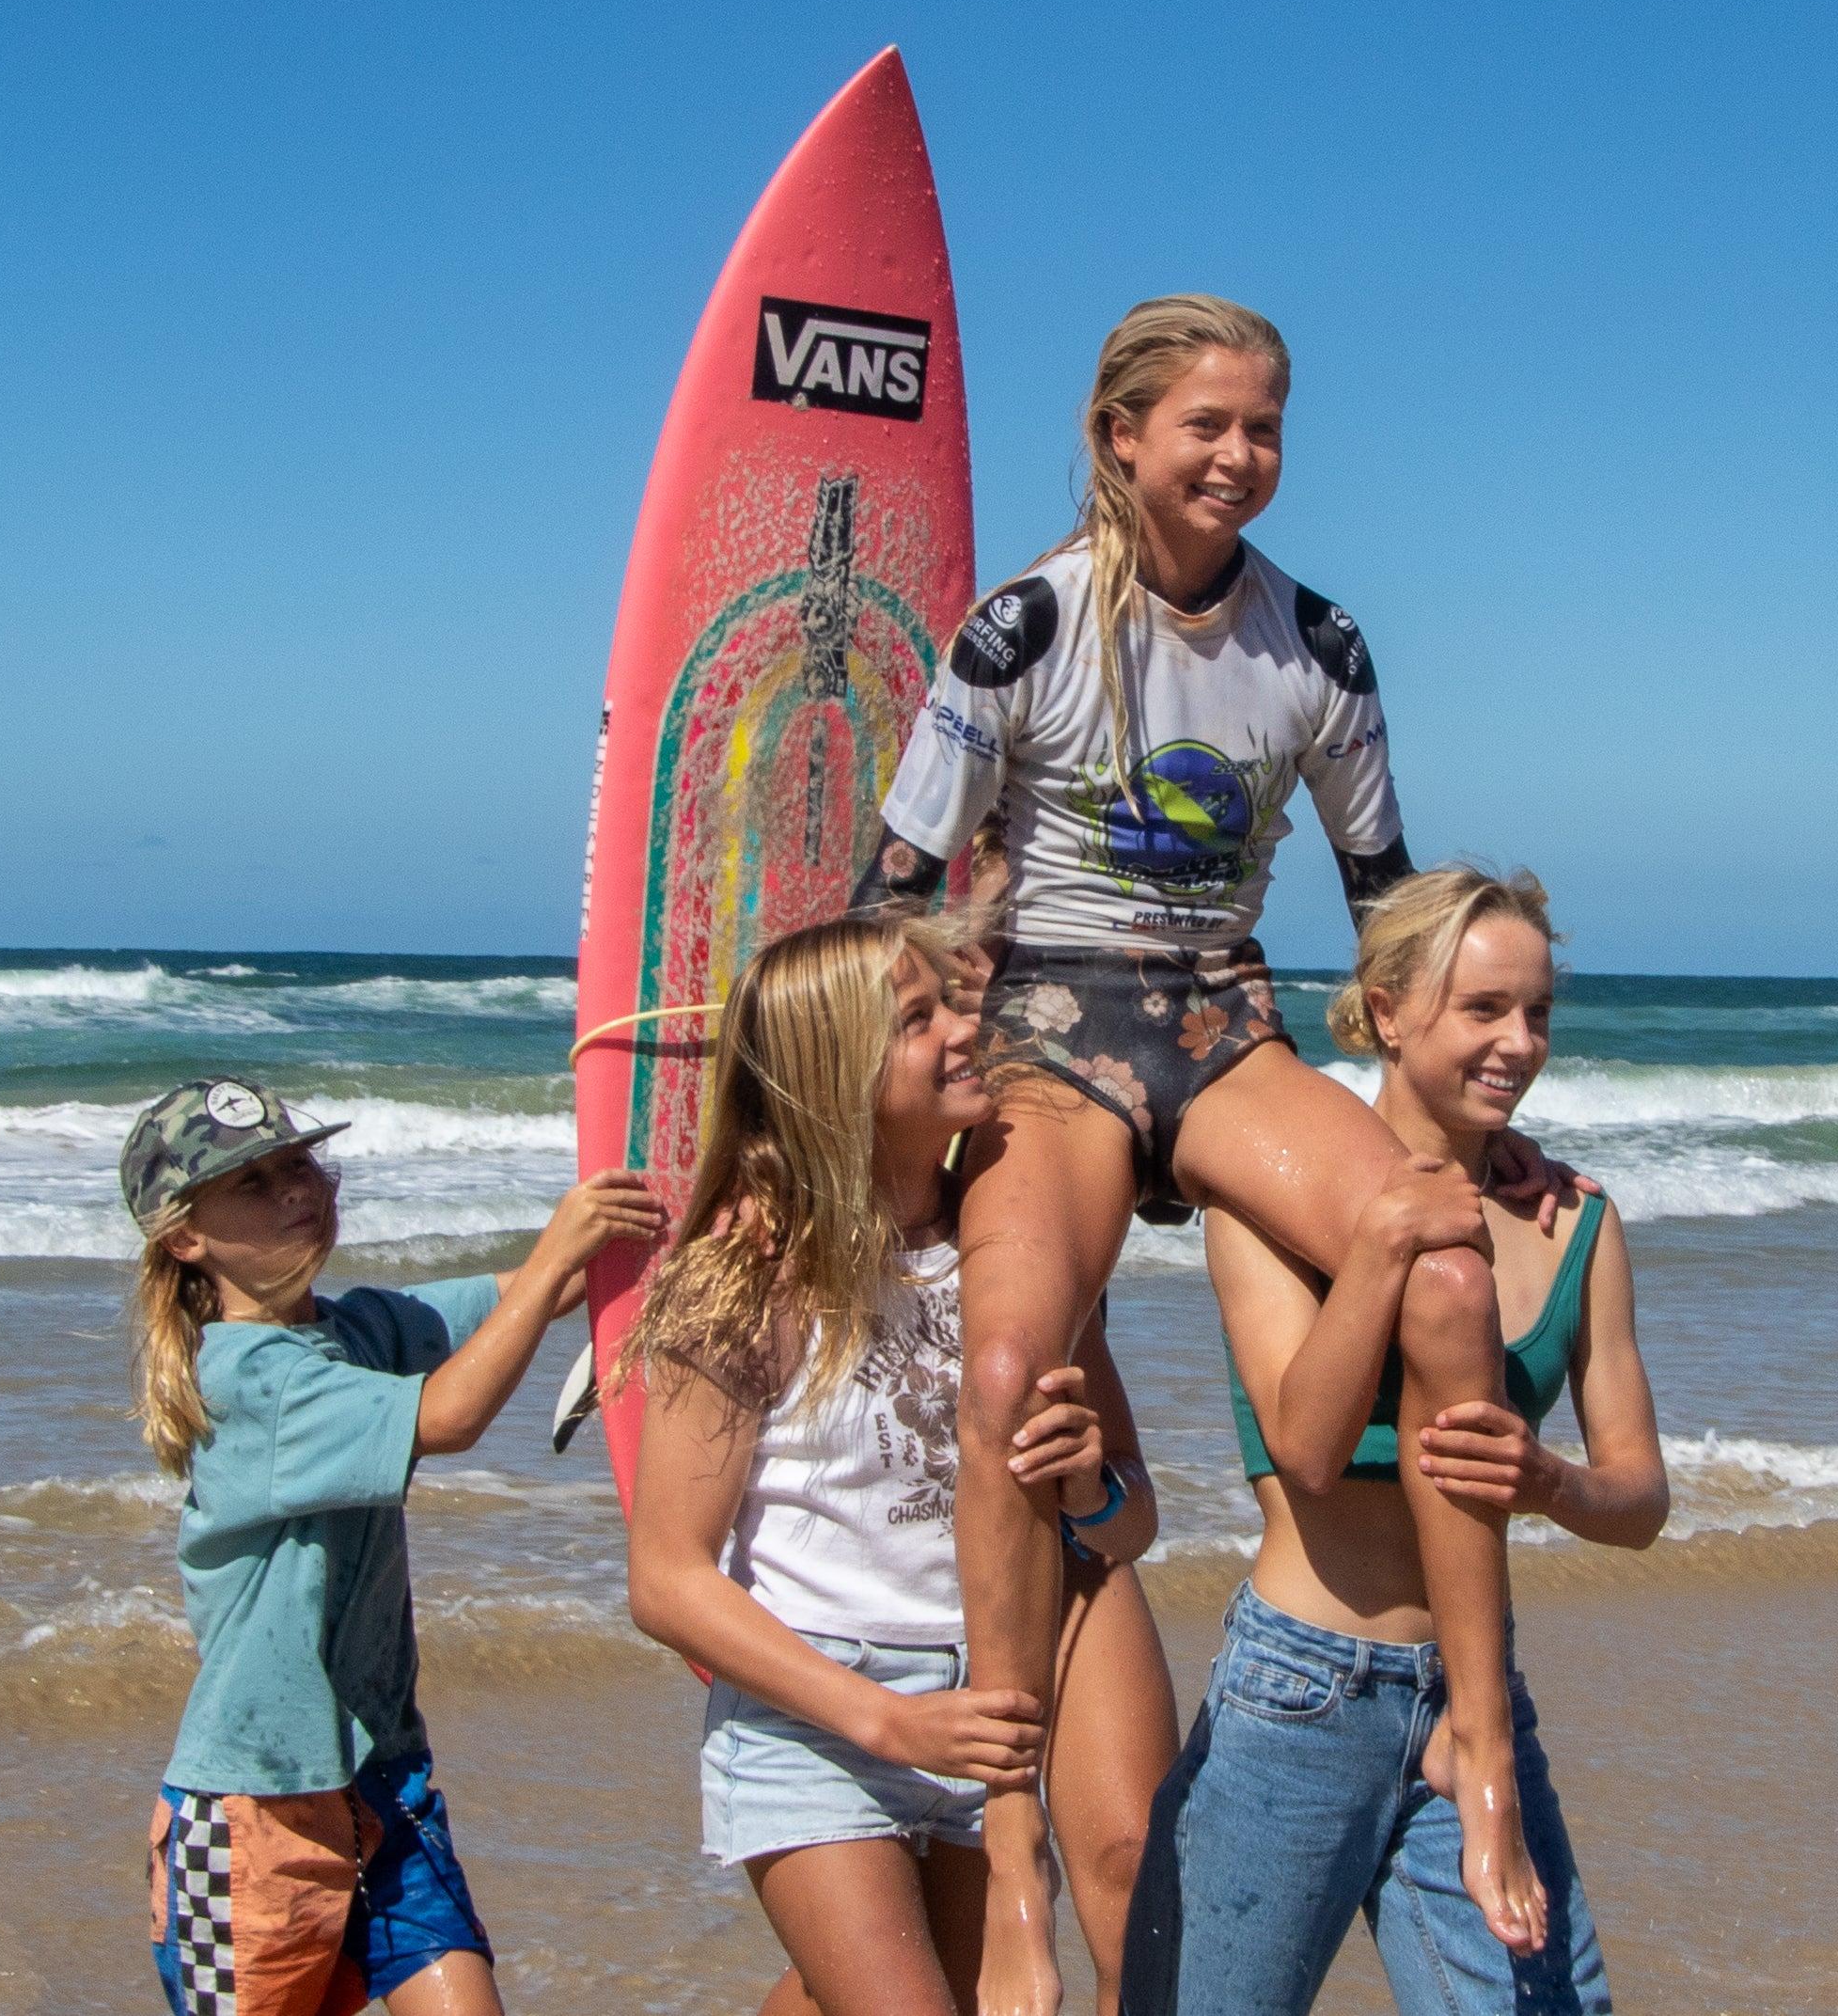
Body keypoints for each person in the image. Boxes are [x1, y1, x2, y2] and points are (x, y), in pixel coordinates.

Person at [859, 294, 1572, 2007]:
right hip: (1048, 1026)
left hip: (1218, 1026)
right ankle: (1013, 1848)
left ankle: (1476, 1734)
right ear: (1122, 438)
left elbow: (1390, 913)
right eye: (1207, 426)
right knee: (1011, 1371)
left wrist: (1468, 1110)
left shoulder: (1316, 646)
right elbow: (895, 899)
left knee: (1441, 1258)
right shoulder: (1023, 626)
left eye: (1264, 428)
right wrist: (874, 1106)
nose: (1241, 457)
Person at [1122, 866, 1663, 2015]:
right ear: (1384, 1009)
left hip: (1473, 1704)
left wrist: (1549, 1479)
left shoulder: (1578, 1219)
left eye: (1537, 1013)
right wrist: (1379, 1245)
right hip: (1299, 1696)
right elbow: (1306, 1448)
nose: (1517, 1043)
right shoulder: (1265, 1193)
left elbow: (1641, 1496)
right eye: (1483, 1010)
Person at [619, 913, 1172, 2016]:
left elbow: (1131, 1516)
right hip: (816, 1715)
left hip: (988, 1695)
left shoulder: (1017, 1252)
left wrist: (1085, 1489)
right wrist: (882, 1720)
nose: (966, 1027)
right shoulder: (745, 1277)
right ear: (838, 1072)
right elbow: (666, 1580)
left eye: (951, 1002)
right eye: (919, 1017)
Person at [124, 1076, 661, 2016]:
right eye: (255, 1182)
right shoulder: (247, 1376)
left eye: (299, 1163)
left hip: (384, 1784)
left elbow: (551, 1287)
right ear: (185, 1235)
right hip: (253, 1813)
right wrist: (551, 1261)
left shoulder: (354, 1326)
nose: (298, 1187)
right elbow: (449, 1414)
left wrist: (670, 1210)